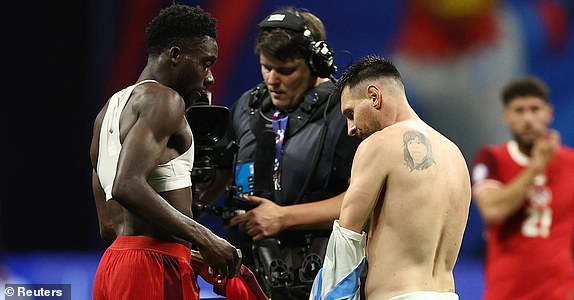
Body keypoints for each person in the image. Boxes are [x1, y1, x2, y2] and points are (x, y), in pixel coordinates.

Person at [198, 7, 360, 300]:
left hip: (323, 280)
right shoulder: (246, 107)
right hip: (249, 276)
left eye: (285, 70)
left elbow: (364, 199)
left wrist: (284, 217)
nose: (272, 79)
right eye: (266, 67)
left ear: (317, 64)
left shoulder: (343, 113)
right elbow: (215, 183)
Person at [89, 4, 241, 299]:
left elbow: (108, 226)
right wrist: (206, 238)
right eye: (205, 63)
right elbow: (127, 185)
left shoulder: (108, 110)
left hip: (113, 266)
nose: (210, 78)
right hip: (153, 268)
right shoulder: (166, 100)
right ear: (174, 55)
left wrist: (191, 254)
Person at [311, 55, 471, 300]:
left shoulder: (379, 144)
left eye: (351, 113)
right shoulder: (455, 155)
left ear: (374, 96)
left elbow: (346, 239)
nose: (350, 129)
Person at [471, 77, 574, 299]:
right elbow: (493, 211)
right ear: (506, 116)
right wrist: (536, 168)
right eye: (519, 111)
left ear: (549, 113)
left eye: (535, 109)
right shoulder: (491, 159)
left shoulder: (571, 164)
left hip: (559, 293)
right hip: (507, 293)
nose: (528, 119)